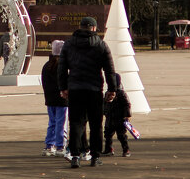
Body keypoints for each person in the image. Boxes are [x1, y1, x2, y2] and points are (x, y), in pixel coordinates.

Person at [59, 16, 116, 169]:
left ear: (81, 26)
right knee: (96, 123)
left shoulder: (69, 44)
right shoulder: (101, 45)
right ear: (93, 28)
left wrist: (63, 87)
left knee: (76, 123)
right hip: (94, 88)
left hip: (75, 88)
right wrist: (112, 89)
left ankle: (75, 156)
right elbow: (109, 69)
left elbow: (62, 68)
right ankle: (95, 156)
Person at [40, 40, 68, 157]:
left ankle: (49, 145)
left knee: (52, 122)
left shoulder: (46, 66)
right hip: (62, 99)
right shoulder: (63, 66)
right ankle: (60, 146)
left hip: (50, 99)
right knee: (61, 122)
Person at [102, 71, 132, 158]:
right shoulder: (107, 93)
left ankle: (126, 149)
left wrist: (128, 115)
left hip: (119, 118)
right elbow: (105, 104)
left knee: (121, 135)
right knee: (107, 135)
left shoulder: (121, 93)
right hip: (110, 118)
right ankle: (108, 149)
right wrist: (105, 112)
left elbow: (127, 104)